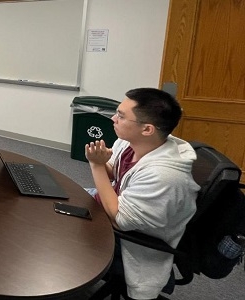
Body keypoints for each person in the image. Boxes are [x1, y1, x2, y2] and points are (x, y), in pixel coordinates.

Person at [85, 88, 200, 299]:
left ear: (147, 129)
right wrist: (102, 162)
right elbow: (115, 168)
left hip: (133, 241)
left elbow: (121, 220)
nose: (113, 118)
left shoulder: (165, 176)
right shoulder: (131, 141)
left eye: (120, 115)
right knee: (54, 201)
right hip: (114, 204)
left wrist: (96, 166)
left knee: (61, 232)